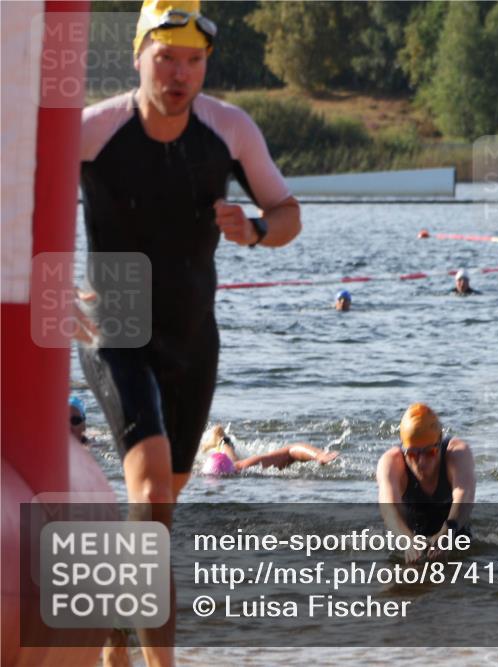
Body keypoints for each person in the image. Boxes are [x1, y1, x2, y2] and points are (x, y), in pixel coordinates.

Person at [77, 4, 301, 664]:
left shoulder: (229, 129)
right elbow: (20, 202)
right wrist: (49, 278)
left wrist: (256, 229)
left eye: (193, 62)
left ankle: (114, 632)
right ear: (138, 57)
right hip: (117, 322)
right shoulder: (92, 131)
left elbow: (287, 211)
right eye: (166, 59)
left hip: (193, 336)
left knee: (158, 509)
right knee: (150, 498)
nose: (179, 74)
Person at [376, 403, 475, 563]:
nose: (421, 462)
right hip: (408, 531)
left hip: (453, 527)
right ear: (404, 448)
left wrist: (447, 533)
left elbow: (465, 495)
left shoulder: (457, 454)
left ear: (439, 443)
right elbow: (388, 508)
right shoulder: (391, 462)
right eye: (413, 454)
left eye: (430, 452)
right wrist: (407, 540)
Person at [198, 424, 338, 475]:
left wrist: (319, 455)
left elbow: (291, 450)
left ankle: (221, 438)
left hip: (234, 465)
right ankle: (220, 438)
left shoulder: (243, 467)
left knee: (234, 461)